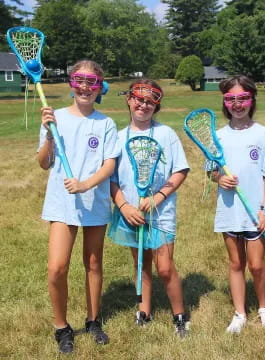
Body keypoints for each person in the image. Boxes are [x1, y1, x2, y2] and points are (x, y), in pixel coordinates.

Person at [38, 60, 120, 353]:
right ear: (72, 83)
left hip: (93, 202)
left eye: (92, 82)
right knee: (57, 268)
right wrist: (49, 134)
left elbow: (109, 164)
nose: (85, 87)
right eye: (79, 80)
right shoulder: (55, 117)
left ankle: (93, 320)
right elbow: (44, 162)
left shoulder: (106, 123)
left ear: (99, 87)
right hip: (62, 204)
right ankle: (61, 327)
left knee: (94, 263)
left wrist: (86, 184)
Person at [109, 79, 191, 337]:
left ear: (157, 105)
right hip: (131, 214)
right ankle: (143, 311)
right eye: (139, 99)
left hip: (161, 212)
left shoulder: (166, 134)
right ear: (129, 100)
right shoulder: (118, 138)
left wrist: (159, 196)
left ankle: (180, 315)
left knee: (165, 267)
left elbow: (180, 170)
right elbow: (111, 179)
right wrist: (123, 206)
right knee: (140, 263)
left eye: (150, 101)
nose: (143, 105)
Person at [207, 75, 265, 333]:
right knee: (236, 263)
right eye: (231, 99)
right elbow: (211, 171)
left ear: (252, 100)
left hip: (256, 212)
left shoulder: (262, 133)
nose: (237, 104)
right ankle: (239, 313)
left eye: (242, 98)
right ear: (225, 102)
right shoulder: (218, 136)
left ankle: (264, 307)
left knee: (258, 264)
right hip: (230, 210)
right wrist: (220, 178)